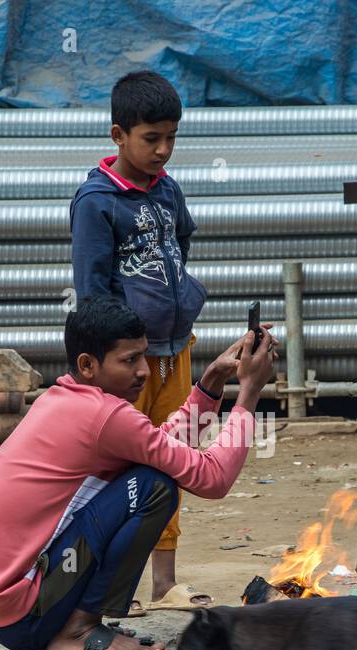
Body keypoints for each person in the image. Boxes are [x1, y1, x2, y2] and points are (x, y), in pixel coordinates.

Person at [0, 296, 277, 650]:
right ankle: (79, 631)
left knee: (150, 475)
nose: (144, 370)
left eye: (144, 356)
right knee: (155, 488)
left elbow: (163, 445)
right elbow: (213, 479)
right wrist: (249, 394)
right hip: (24, 615)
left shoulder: (64, 399)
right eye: (129, 360)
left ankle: (76, 623)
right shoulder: (104, 416)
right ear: (88, 365)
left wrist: (211, 384)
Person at [69, 69, 211, 614]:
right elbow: (91, 293)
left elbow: (184, 240)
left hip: (177, 350)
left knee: (175, 459)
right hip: (128, 364)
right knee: (120, 467)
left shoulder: (167, 189)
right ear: (117, 135)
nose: (163, 150)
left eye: (171, 137)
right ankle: (109, 584)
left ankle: (164, 583)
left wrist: (174, 302)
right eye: (151, 138)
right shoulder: (96, 203)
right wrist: (115, 359)